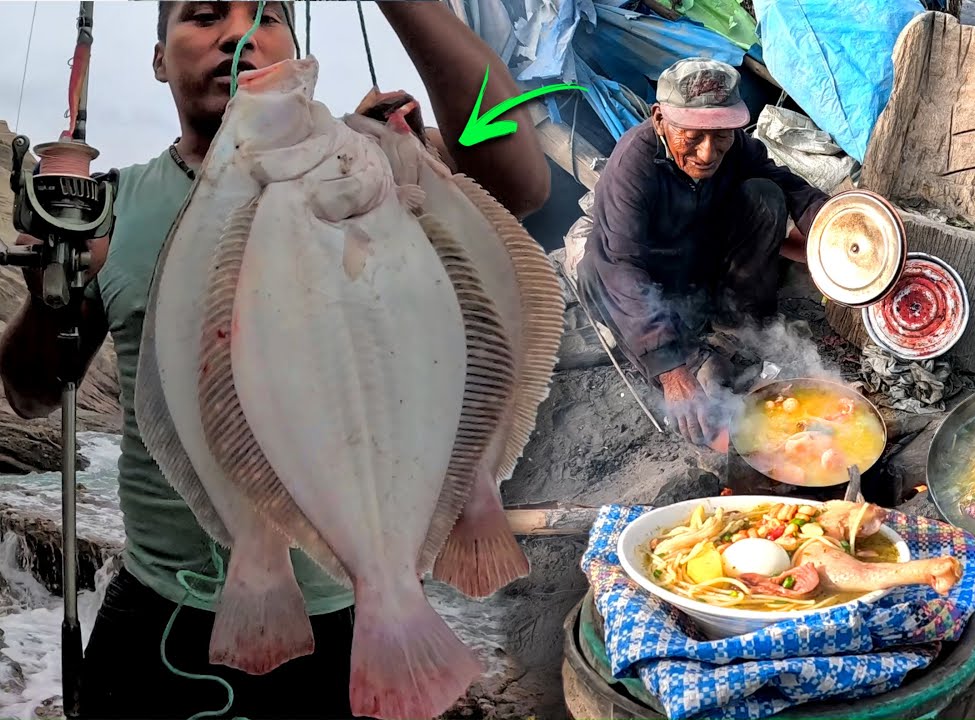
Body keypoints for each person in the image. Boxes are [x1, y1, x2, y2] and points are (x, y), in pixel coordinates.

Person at [0, 2, 549, 717]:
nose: (237, 34)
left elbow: (519, 177)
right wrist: (52, 293)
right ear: (159, 58)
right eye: (203, 16)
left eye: (265, 15)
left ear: (296, 44)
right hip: (154, 612)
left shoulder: (369, 158)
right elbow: (32, 396)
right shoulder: (111, 206)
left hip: (342, 614)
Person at [575, 57, 830, 448]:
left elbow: (788, 184)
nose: (709, 153)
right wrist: (671, 369)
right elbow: (623, 268)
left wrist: (836, 225)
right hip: (653, 281)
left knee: (764, 194)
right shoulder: (633, 166)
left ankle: (738, 324)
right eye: (693, 136)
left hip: (700, 265)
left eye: (721, 135)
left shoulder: (735, 145)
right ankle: (690, 357)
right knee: (599, 268)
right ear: (660, 119)